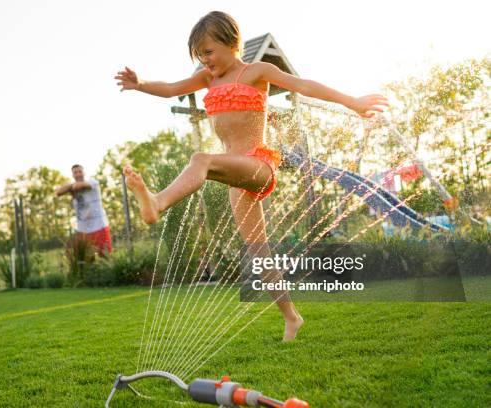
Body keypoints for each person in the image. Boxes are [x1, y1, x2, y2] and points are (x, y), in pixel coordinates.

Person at [114, 11, 389, 341]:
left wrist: (352, 101)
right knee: (259, 254)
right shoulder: (207, 79)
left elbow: (305, 86)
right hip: (235, 174)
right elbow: (172, 88)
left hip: (258, 166)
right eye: (200, 55)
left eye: (209, 52)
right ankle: (291, 317)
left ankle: (157, 203)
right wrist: (141, 85)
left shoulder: (257, 71)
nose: (205, 60)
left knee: (201, 159)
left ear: (233, 43)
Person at [55, 164, 112, 258]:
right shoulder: (72, 186)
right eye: (75, 172)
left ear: (84, 172)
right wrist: (70, 187)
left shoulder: (93, 182)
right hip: (83, 228)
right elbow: (58, 192)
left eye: (80, 171)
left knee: (105, 255)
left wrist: (70, 188)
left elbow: (77, 186)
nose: (78, 174)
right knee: (84, 257)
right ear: (72, 175)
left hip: (99, 225)